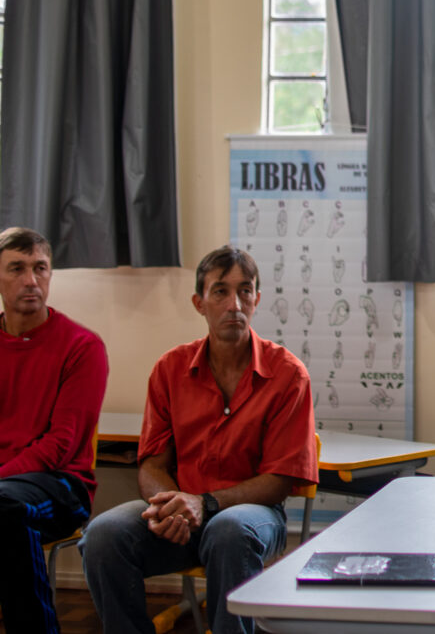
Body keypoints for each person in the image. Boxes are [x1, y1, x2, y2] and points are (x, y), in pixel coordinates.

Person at [81, 246, 317, 634]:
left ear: (257, 299)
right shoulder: (170, 369)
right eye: (220, 292)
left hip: (253, 516)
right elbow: (153, 464)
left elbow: (279, 480)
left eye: (245, 291)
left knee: (229, 531)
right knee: (103, 535)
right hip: (182, 513)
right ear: (199, 303)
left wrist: (203, 504)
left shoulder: (288, 375)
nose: (234, 304)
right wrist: (171, 505)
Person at [0, 227, 109, 634]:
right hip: (7, 487)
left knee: (5, 508)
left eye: (40, 268)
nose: (31, 280)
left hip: (62, 486)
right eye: (17, 269)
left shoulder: (82, 346)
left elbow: (61, 444)